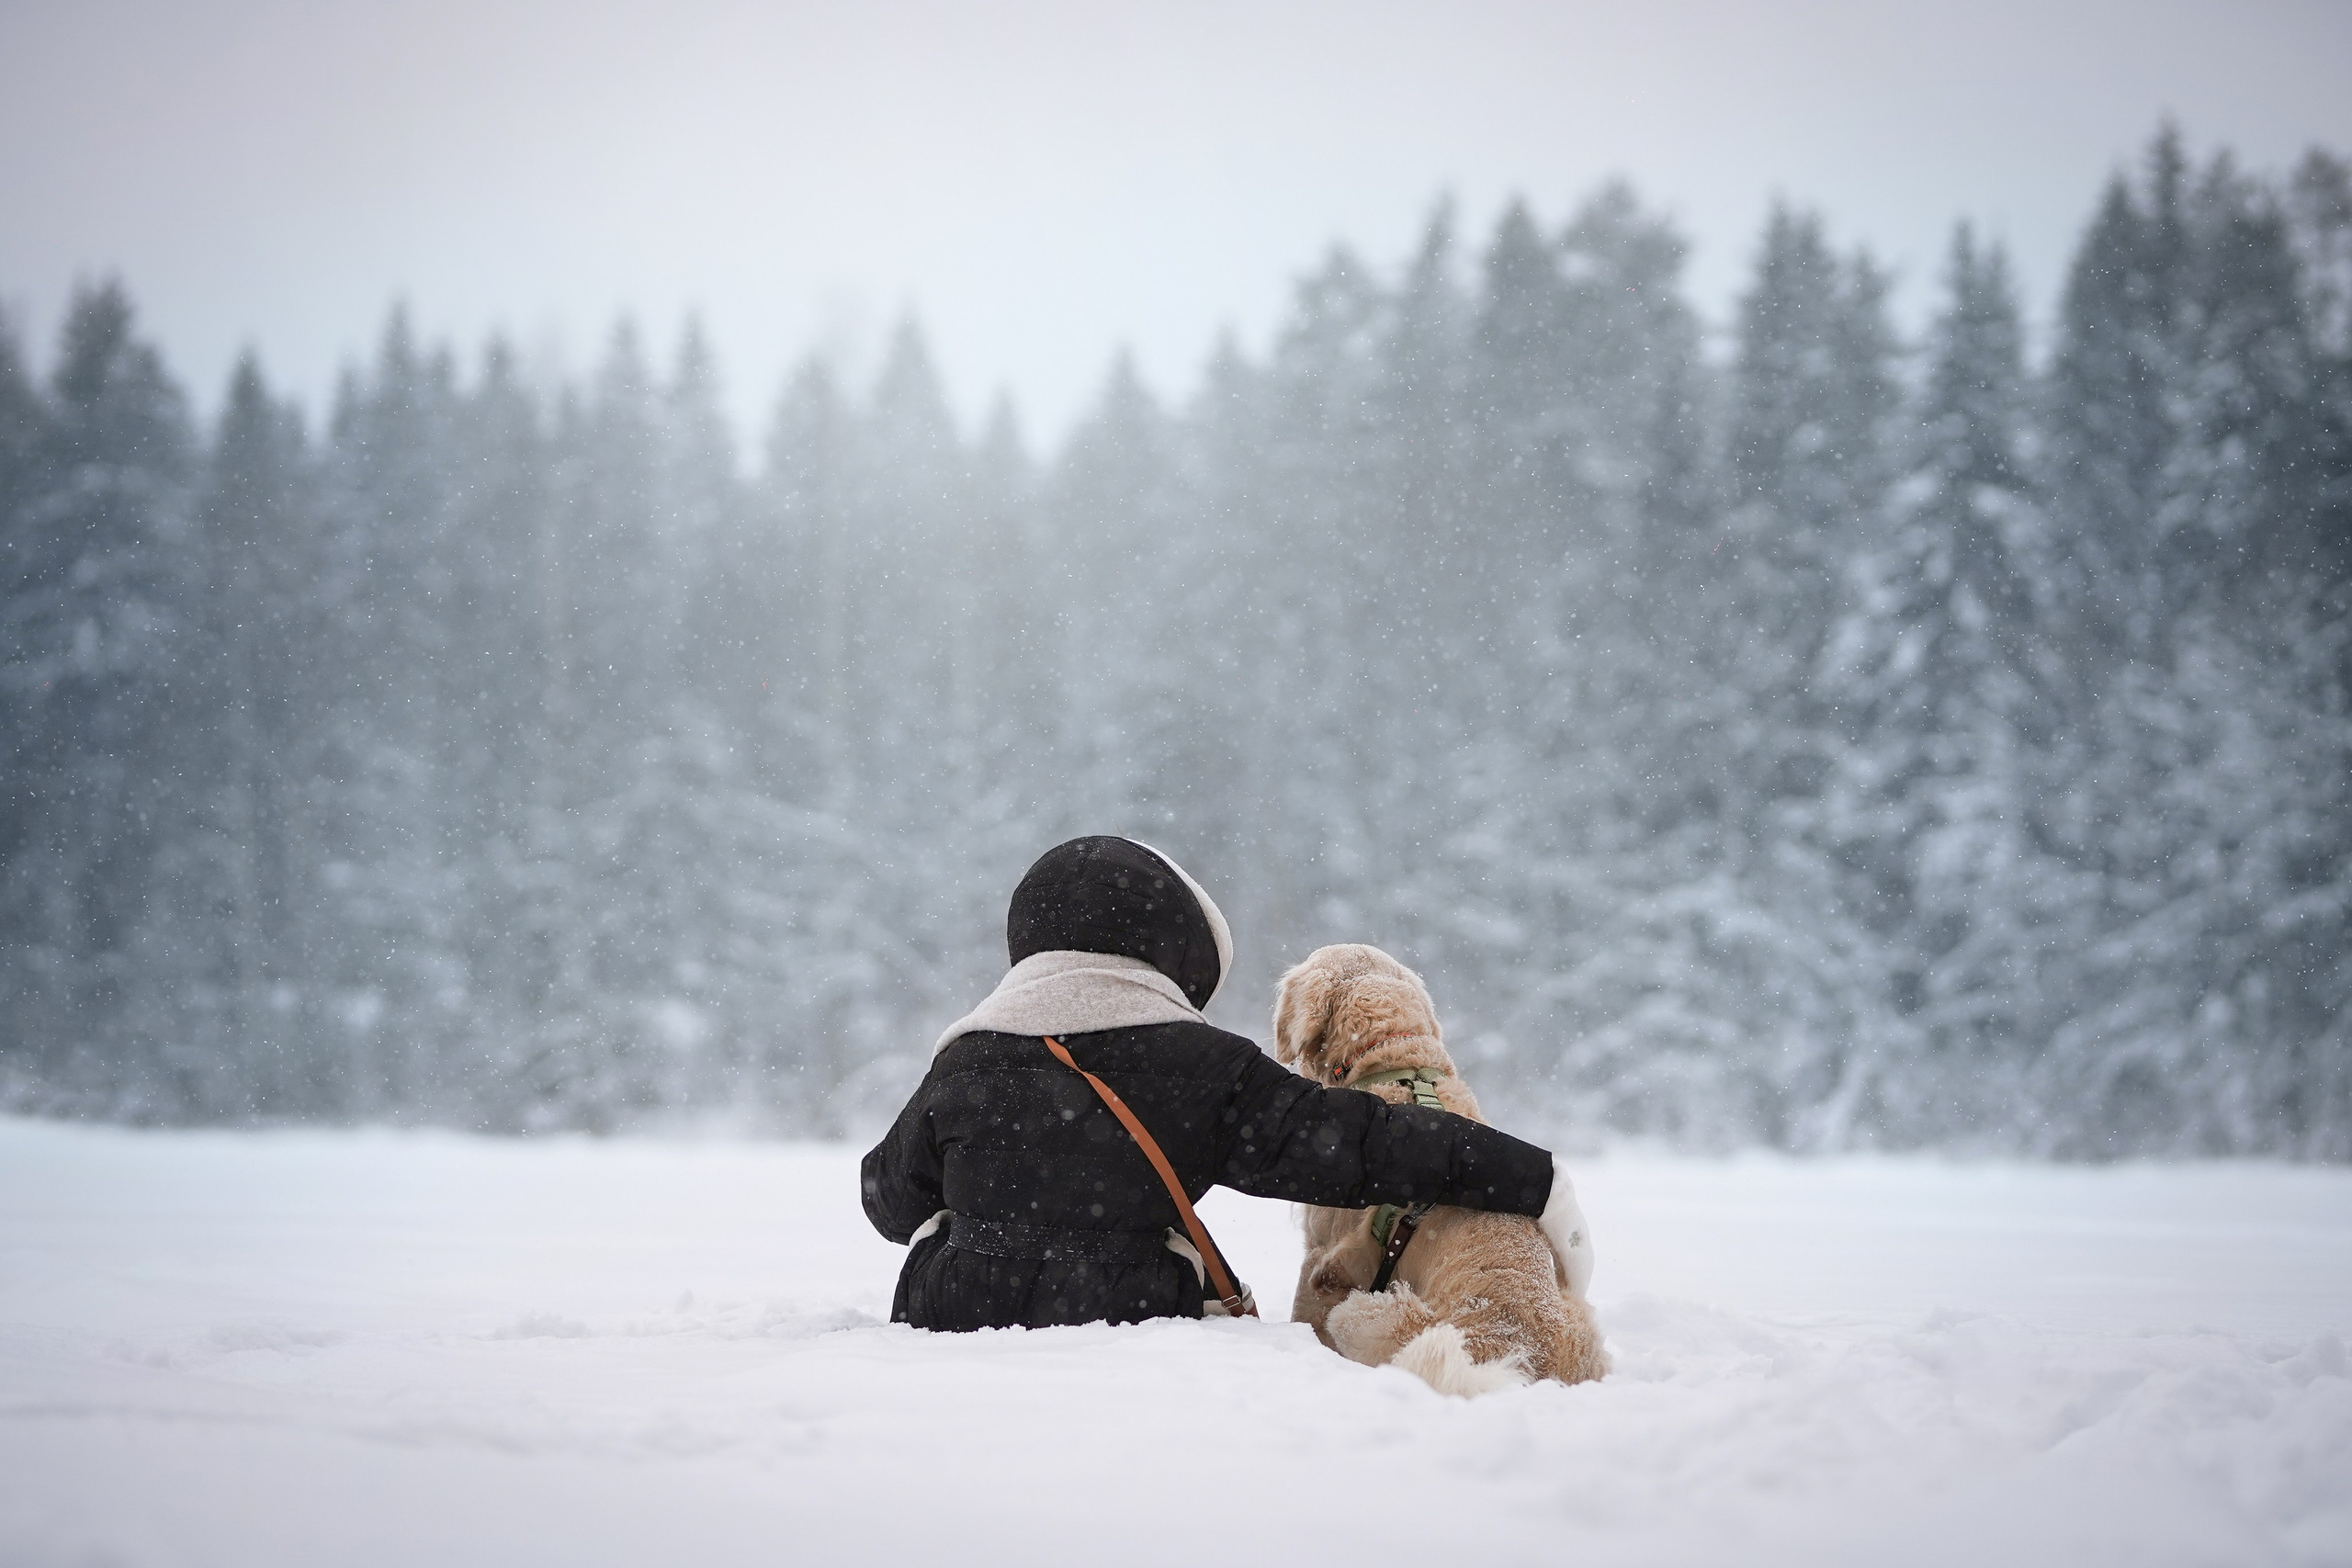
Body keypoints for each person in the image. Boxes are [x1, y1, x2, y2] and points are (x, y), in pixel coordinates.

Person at [861, 835, 1587, 1331]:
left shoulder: (965, 1060)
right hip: (1130, 1319)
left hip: (954, 1316)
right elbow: (1364, 1143)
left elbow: (890, 1204)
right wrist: (1533, 1177)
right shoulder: (1199, 1065)